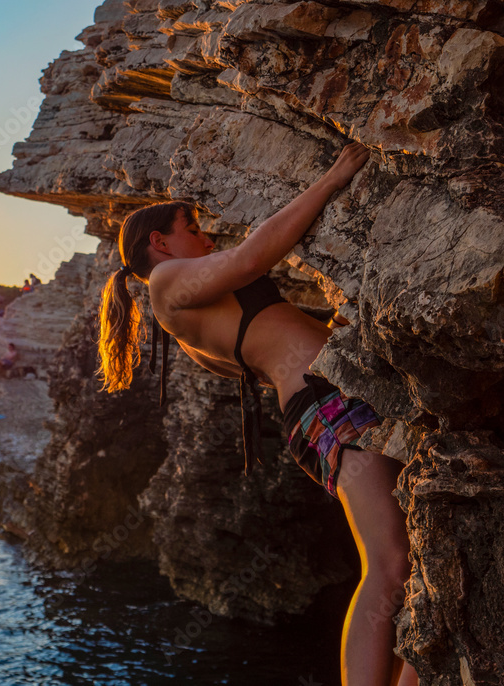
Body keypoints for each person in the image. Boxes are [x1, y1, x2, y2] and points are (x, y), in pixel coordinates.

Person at [96, 142, 418, 686]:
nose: (206, 238)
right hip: (328, 407)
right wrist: (331, 179)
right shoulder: (167, 281)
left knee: (412, 556)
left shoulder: (188, 318)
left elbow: (268, 346)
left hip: (321, 411)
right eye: (192, 228)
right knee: (388, 562)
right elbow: (251, 257)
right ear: (160, 242)